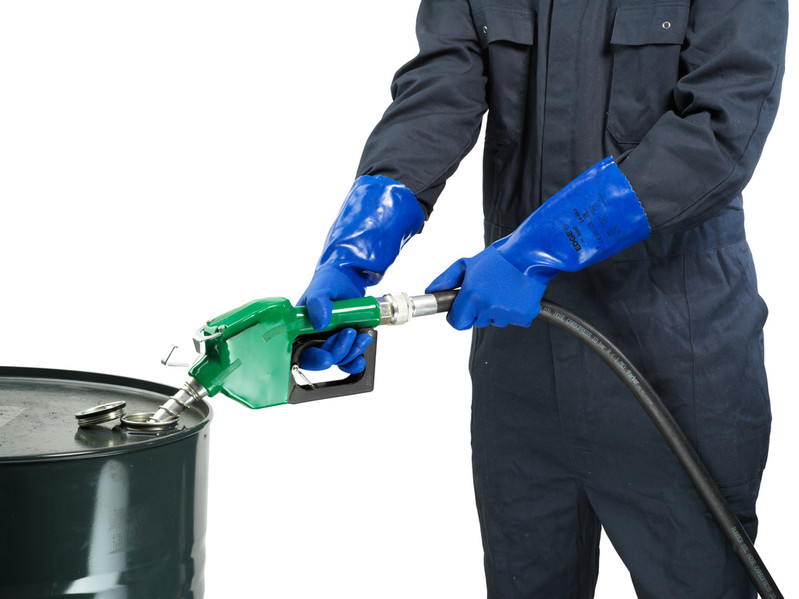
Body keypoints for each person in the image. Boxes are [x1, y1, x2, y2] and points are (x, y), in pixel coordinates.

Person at [298, 0, 788, 596]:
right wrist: (353, 254)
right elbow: (436, 95)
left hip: (675, 358)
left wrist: (534, 251)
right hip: (522, 374)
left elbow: (718, 132)